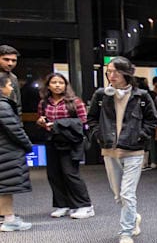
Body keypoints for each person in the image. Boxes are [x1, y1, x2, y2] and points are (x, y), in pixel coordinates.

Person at [87, 57, 157, 243]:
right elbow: (91, 118)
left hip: (134, 151)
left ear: (126, 73)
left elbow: (152, 121)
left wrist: (140, 136)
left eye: (116, 72)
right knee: (118, 195)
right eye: (109, 71)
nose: (112, 76)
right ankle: (133, 216)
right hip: (109, 149)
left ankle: (125, 232)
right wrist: (99, 135)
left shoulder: (141, 96)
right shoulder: (102, 95)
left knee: (127, 193)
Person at [36, 72, 93, 219]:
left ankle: (85, 205)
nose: (57, 85)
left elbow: (82, 121)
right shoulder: (44, 103)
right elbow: (41, 117)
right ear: (48, 85)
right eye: (54, 82)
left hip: (70, 141)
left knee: (70, 173)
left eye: (61, 83)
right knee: (54, 174)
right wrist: (42, 121)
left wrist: (57, 124)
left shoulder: (75, 102)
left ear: (65, 85)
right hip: (52, 140)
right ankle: (63, 204)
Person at [0, 71, 32, 232]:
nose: (11, 87)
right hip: (6, 151)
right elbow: (14, 129)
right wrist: (28, 145)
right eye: (8, 84)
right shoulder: (3, 105)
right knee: (5, 188)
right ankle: (9, 219)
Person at [0, 45, 21, 114]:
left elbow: (17, 104)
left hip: (10, 118)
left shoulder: (13, 78)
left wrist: (18, 123)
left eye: (13, 60)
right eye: (6, 59)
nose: (10, 63)